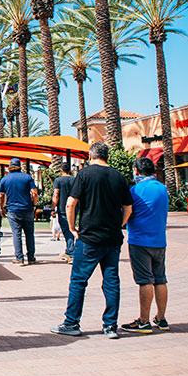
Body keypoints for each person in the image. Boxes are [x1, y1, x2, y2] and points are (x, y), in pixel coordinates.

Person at [50, 142, 133, 340]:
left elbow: (71, 203)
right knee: (112, 281)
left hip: (89, 237)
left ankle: (71, 322)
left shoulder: (85, 175)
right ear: (107, 156)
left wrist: (71, 229)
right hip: (112, 238)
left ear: (90, 155)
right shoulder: (118, 176)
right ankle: (110, 325)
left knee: (79, 280)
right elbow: (128, 208)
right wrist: (119, 225)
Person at [121, 157, 170, 334]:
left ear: (136, 171)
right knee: (160, 279)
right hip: (159, 241)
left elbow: (127, 211)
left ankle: (143, 321)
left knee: (145, 281)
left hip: (140, 241)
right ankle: (161, 318)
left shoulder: (135, 190)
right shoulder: (162, 188)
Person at [0, 158, 38, 266]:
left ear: (10, 166)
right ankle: (31, 257)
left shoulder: (5, 179)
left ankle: (19, 258)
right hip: (27, 208)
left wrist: (1, 208)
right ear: (20, 166)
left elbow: (1, 195)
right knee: (29, 234)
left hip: (13, 210)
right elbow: (35, 192)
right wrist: (34, 205)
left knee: (17, 234)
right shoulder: (27, 177)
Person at [52, 162, 76, 262]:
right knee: (71, 228)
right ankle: (69, 250)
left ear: (61, 170)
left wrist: (53, 208)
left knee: (67, 230)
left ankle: (71, 252)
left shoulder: (58, 180)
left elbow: (56, 194)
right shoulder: (75, 180)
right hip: (74, 208)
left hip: (62, 208)